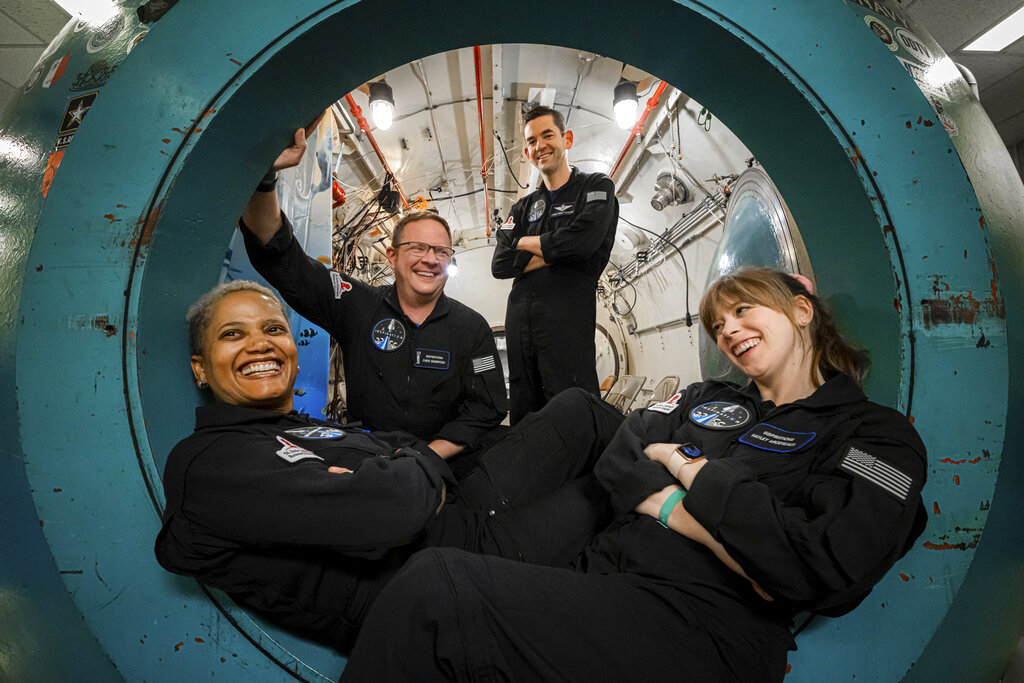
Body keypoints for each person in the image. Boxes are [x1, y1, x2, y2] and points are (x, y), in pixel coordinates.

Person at [339, 268, 929, 682]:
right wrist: (688, 515)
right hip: (604, 571)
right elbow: (622, 457)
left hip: (700, 625)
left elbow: (825, 567)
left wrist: (687, 469)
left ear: (802, 311)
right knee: (406, 568)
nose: (728, 331)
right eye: (718, 324)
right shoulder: (708, 397)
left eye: (743, 310)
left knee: (435, 588)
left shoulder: (870, 434)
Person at [154, 281, 624, 653]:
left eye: (274, 329)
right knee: (617, 490)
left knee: (579, 411)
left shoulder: (297, 428)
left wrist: (401, 468)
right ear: (199, 368)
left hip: (461, 506)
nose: (260, 345)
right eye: (233, 334)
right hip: (457, 568)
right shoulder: (209, 463)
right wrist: (398, 473)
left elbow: (400, 448)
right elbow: (394, 508)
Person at [240, 128, 506, 461]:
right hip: (366, 461)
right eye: (417, 247)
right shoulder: (357, 304)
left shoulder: (472, 328)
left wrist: (428, 456)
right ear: (391, 257)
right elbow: (281, 260)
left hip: (441, 465)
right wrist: (264, 178)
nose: (430, 259)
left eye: (440, 251)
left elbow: (489, 405)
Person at [491, 105, 619, 423]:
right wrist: (556, 251)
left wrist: (520, 243)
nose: (540, 145)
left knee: (574, 408)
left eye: (548, 135)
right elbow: (500, 264)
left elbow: (583, 243)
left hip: (567, 319)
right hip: (520, 322)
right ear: (527, 151)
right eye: (532, 141)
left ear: (567, 139)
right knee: (524, 413)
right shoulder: (522, 207)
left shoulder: (596, 187)